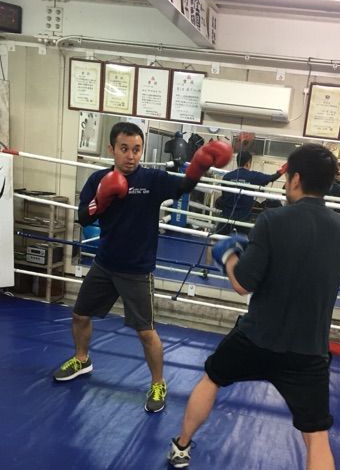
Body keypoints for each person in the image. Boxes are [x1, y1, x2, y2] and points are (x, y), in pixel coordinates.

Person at [167, 143, 340, 470]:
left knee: (212, 378)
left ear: (295, 178)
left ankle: (181, 446)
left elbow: (243, 284)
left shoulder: (273, 220)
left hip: (255, 338)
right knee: (317, 438)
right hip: (307, 352)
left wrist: (229, 255)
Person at [53, 121, 232, 413]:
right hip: (104, 264)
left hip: (136, 270)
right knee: (79, 315)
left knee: (146, 332)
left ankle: (158, 383)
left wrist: (199, 165)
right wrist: (101, 200)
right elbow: (84, 217)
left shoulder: (152, 179)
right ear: (112, 149)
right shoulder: (98, 179)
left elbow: (183, 187)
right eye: (124, 149)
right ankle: (82, 359)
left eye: (136, 149)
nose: (131, 156)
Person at [217, 151, 286, 234]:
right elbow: (271, 178)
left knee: (215, 237)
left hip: (226, 217)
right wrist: (284, 169)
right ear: (248, 163)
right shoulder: (253, 176)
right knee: (251, 239)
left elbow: (224, 196)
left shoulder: (227, 177)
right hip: (243, 219)